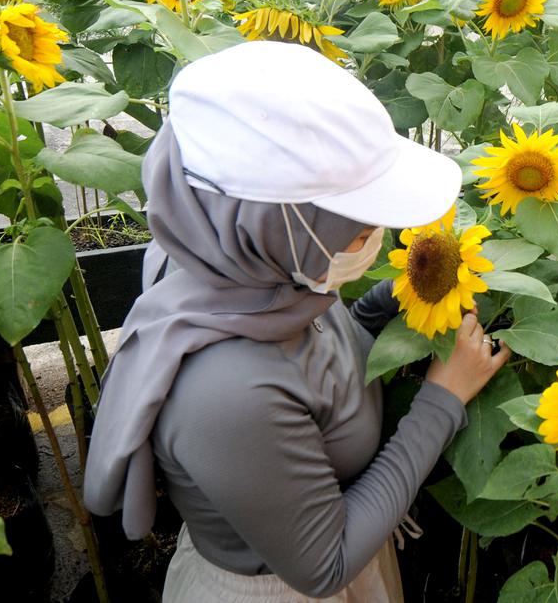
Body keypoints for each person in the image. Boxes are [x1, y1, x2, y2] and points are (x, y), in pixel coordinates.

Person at [82, 41, 512, 602]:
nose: (376, 239)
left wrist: (389, 300)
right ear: (274, 229)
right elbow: (325, 563)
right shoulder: (226, 394)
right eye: (360, 230)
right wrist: (443, 399)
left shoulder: (245, 272)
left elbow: (313, 355)